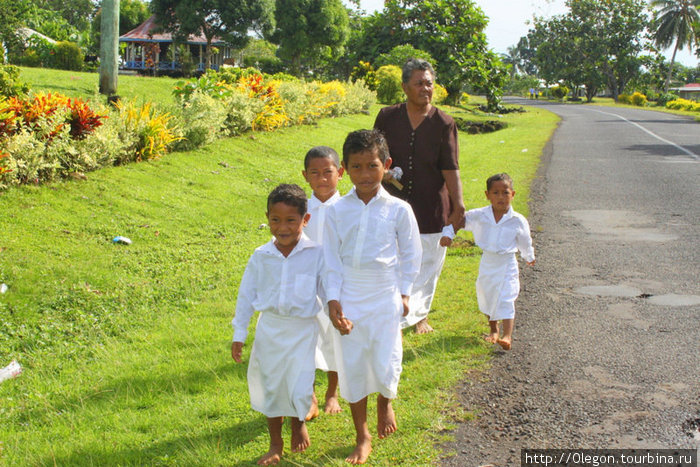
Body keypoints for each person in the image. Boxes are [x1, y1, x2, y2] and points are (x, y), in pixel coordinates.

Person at [324, 129, 422, 464]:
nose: (365, 175)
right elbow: (331, 261)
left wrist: (406, 293)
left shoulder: (398, 210)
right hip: (350, 294)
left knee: (386, 358)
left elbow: (411, 255)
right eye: (356, 167)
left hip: (385, 294)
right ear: (344, 171)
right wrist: (333, 301)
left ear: (387, 165)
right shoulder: (336, 212)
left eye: (372, 166)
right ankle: (362, 435)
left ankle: (385, 402)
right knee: (353, 364)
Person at [231, 184, 324, 465]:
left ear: (305, 220)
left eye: (290, 220)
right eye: (275, 220)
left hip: (303, 330)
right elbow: (246, 296)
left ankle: (298, 425)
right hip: (270, 330)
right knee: (272, 386)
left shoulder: (316, 253)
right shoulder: (261, 256)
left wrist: (340, 314)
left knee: (299, 383)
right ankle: (275, 442)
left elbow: (329, 289)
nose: (282, 227)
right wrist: (239, 333)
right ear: (267, 218)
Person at [374, 58, 465, 334]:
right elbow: (373, 152)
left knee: (427, 263)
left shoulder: (444, 123)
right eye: (419, 84)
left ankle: (419, 315)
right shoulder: (388, 116)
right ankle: (396, 310)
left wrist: (458, 206)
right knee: (395, 259)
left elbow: (451, 168)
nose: (425, 89)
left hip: (431, 206)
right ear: (404, 87)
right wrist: (382, 172)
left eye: (429, 83)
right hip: (393, 203)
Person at [441, 173, 535, 350]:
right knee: (488, 295)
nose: (501, 197)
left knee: (507, 296)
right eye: (496, 193)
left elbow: (525, 241)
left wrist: (529, 256)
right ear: (487, 195)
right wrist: (448, 234)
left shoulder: (517, 220)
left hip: (507, 263)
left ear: (513, 194)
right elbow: (458, 221)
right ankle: (493, 330)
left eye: (505, 193)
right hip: (488, 262)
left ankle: (507, 336)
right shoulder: (480, 215)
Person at [301, 146, 344, 418]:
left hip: (340, 284)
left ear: (340, 173)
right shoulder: (302, 208)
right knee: (306, 339)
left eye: (328, 172)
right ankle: (310, 396)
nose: (322, 179)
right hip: (307, 282)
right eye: (314, 173)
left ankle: (332, 392)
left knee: (336, 338)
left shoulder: (349, 207)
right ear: (305, 176)